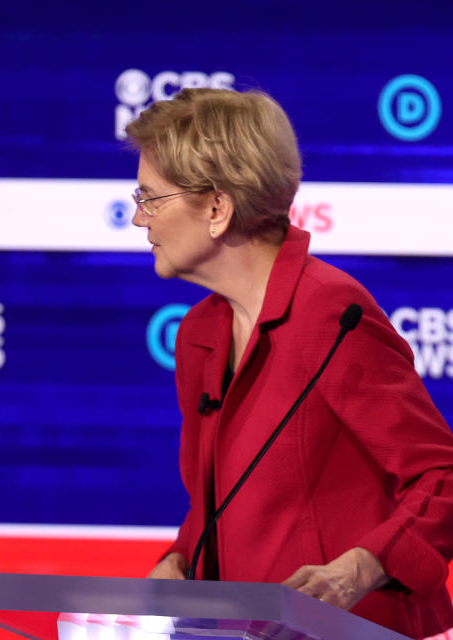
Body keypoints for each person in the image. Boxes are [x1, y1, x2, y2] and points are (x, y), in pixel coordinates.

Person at [127, 88, 453, 639]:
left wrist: (359, 569)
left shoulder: (332, 314)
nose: (138, 218)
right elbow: (222, 503)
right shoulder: (199, 334)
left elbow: (441, 478)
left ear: (216, 208)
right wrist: (179, 561)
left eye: (151, 197)